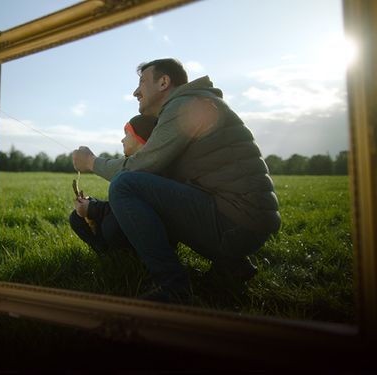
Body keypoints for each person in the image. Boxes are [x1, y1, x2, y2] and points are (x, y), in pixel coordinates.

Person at [72, 58, 281, 302]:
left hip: (236, 221)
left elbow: (139, 166)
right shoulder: (194, 103)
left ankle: (174, 288)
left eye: (141, 82)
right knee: (145, 190)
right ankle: (232, 268)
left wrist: (91, 162)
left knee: (125, 184)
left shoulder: (184, 106)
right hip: (242, 219)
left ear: (163, 82)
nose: (135, 91)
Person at [69, 114, 158, 255]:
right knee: (76, 217)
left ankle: (132, 259)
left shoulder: (152, 169)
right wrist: (92, 205)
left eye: (127, 133)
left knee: (112, 224)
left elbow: (134, 210)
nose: (122, 139)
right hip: (129, 222)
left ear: (140, 139)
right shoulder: (131, 165)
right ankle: (107, 254)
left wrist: (94, 208)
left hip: (149, 231)